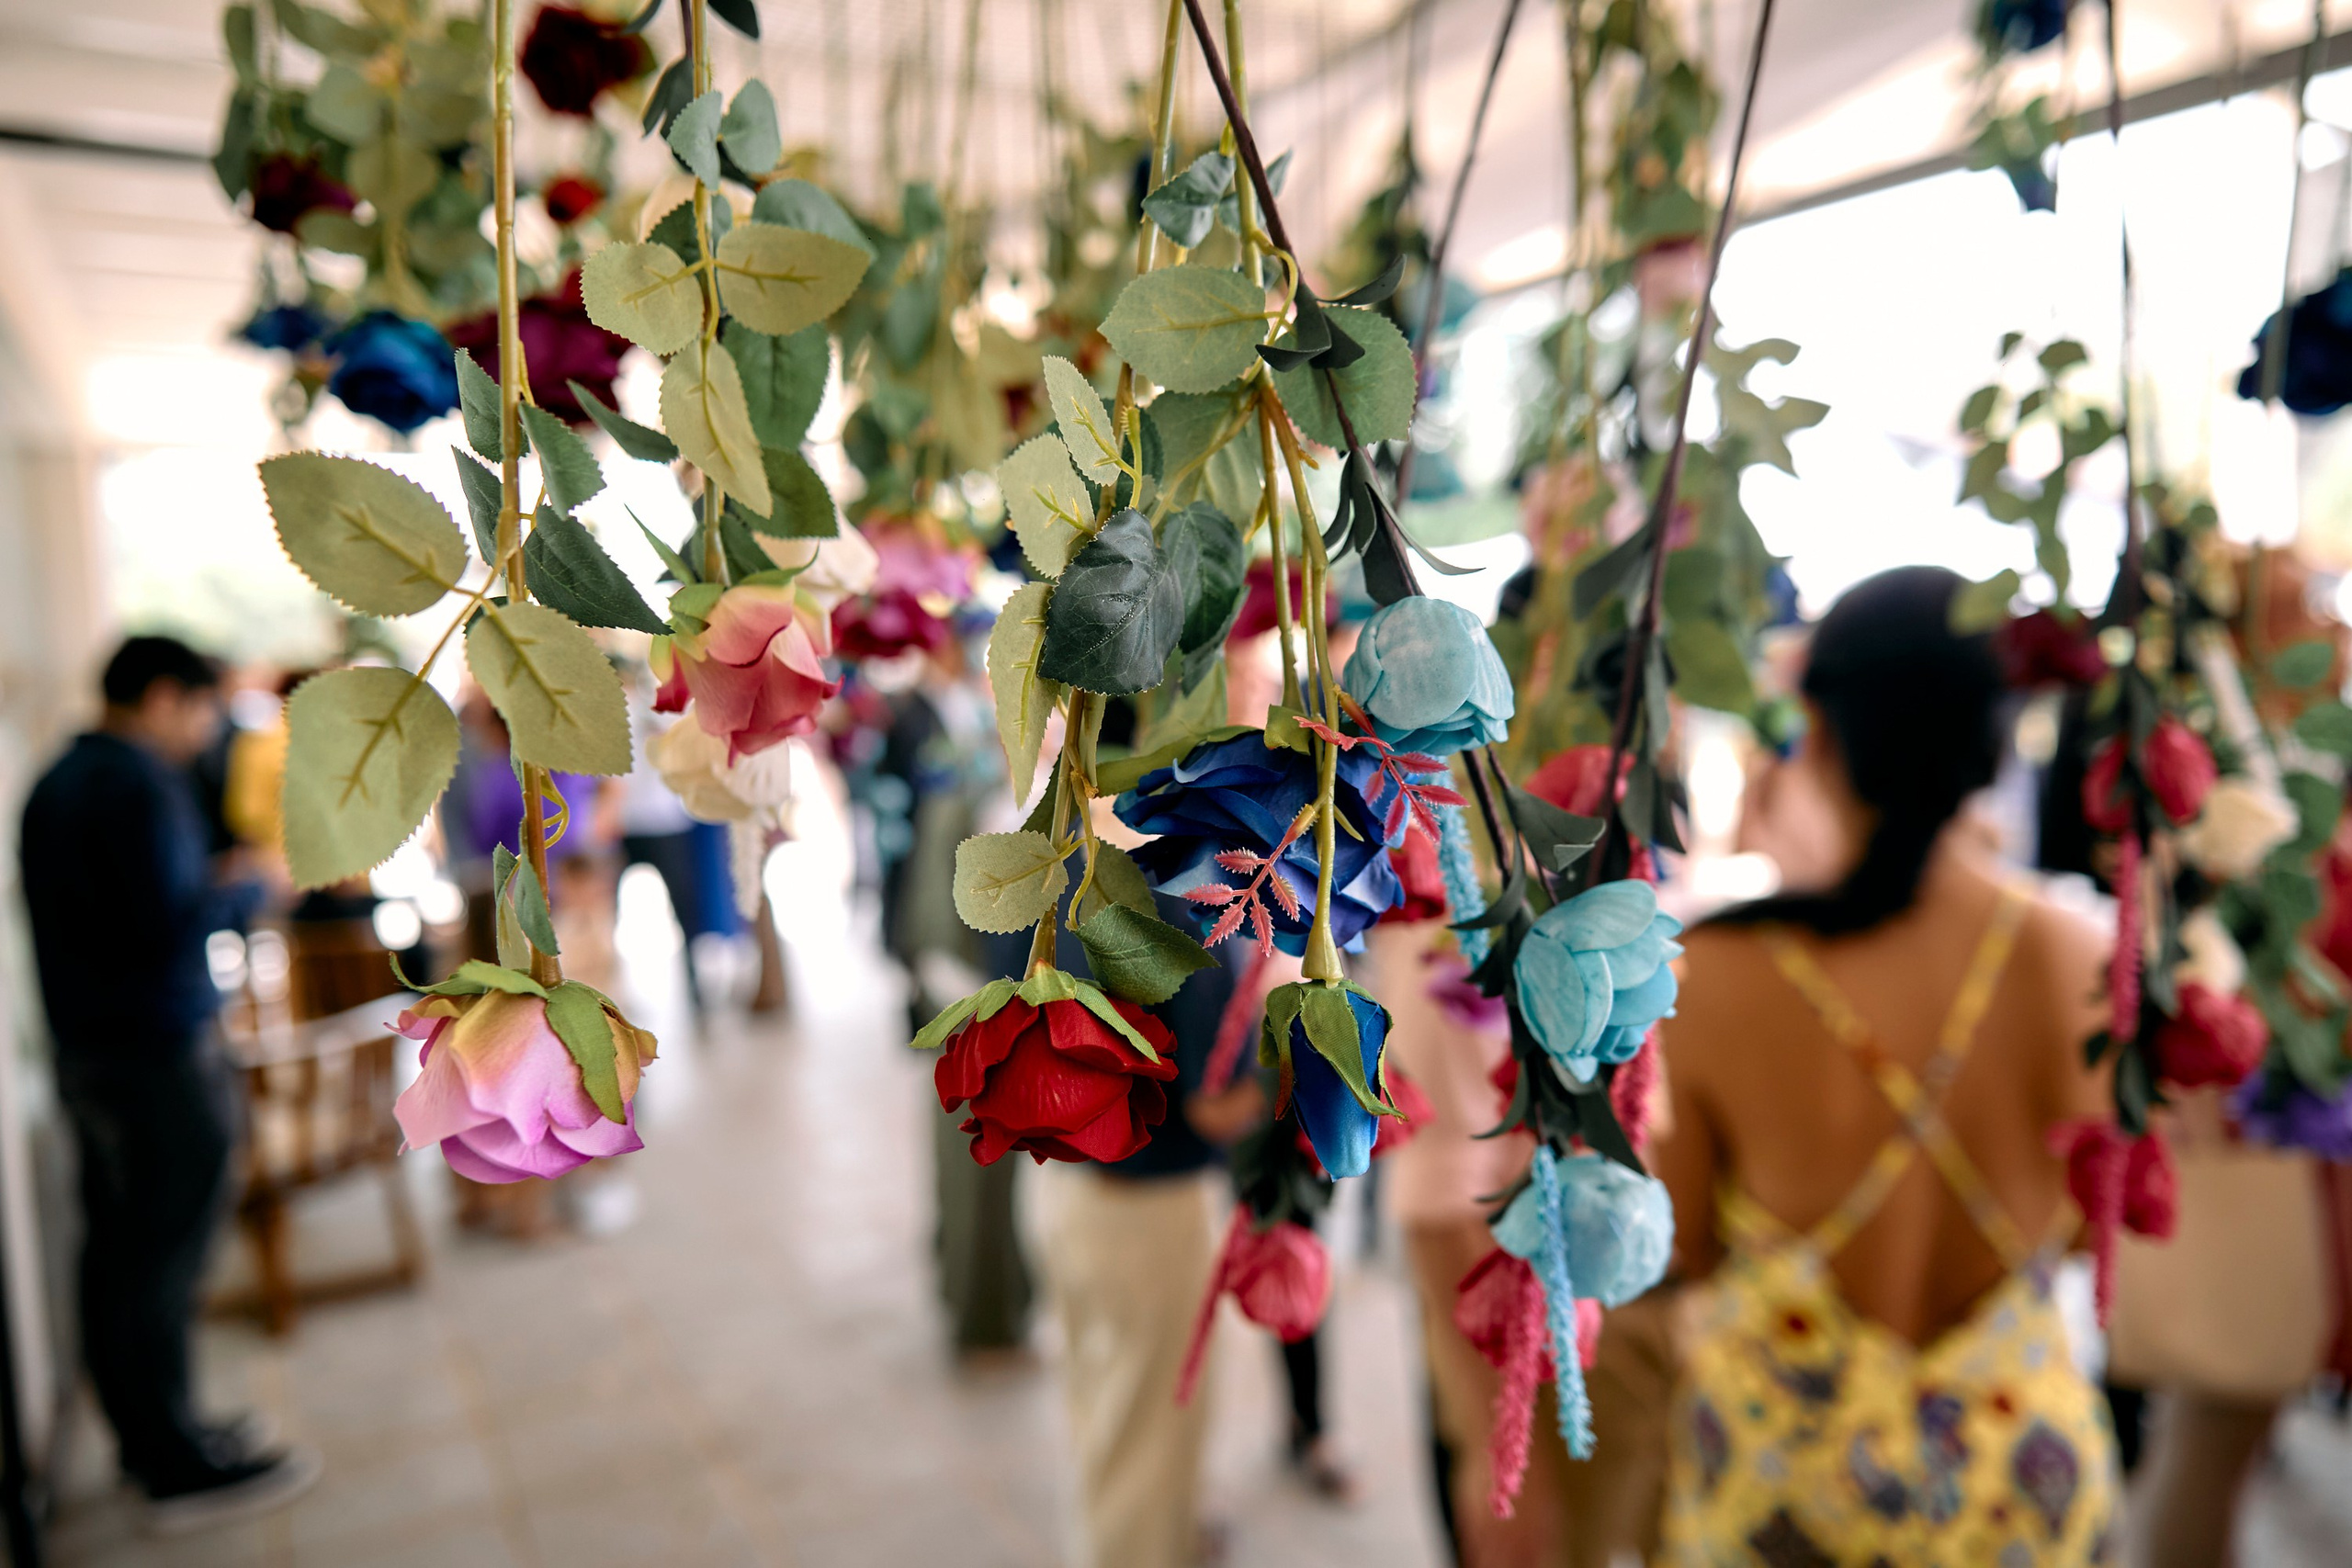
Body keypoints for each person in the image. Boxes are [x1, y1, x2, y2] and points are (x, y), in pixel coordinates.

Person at [1654, 568, 2118, 1564]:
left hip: (1788, 1493)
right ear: (1995, 737)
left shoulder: (1717, 974)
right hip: (2013, 1491)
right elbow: (2087, 1234)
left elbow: (1682, 1245)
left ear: (1819, 732)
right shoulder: (2076, 959)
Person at [19, 636, 321, 1531]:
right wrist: (253, 884)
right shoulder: (133, 784)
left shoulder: (61, 778)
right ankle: (172, 1463)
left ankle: (158, 1435)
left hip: (94, 1052)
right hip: (153, 1054)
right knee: (157, 1260)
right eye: (201, 709)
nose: (206, 730)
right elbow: (167, 926)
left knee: (121, 1254)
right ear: (161, 697)